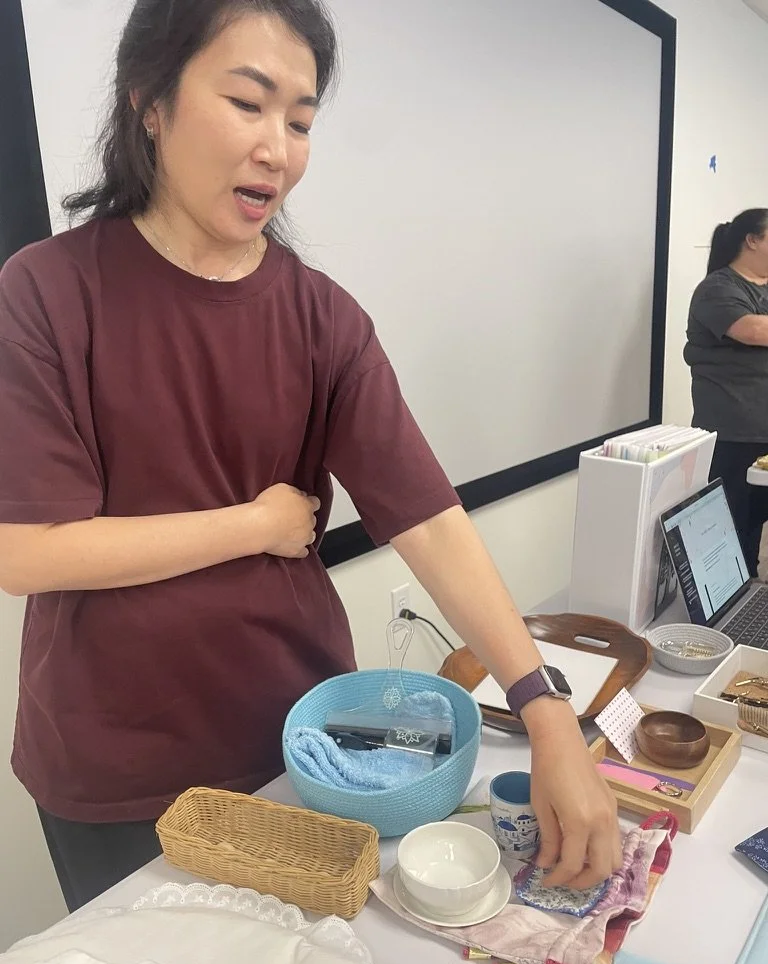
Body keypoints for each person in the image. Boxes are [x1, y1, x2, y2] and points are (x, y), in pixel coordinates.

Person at [0, 0, 620, 913]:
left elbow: (429, 520)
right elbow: (25, 551)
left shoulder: (323, 316)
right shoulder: (47, 291)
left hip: (305, 744)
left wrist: (544, 706)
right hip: (116, 767)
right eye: (247, 104)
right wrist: (254, 524)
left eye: (299, 121)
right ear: (150, 103)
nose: (278, 150)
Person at [685, 209, 768, 575]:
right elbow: (753, 330)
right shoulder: (718, 288)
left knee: (755, 525)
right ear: (752, 240)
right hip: (734, 436)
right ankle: (735, 605)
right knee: (734, 537)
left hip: (762, 435)